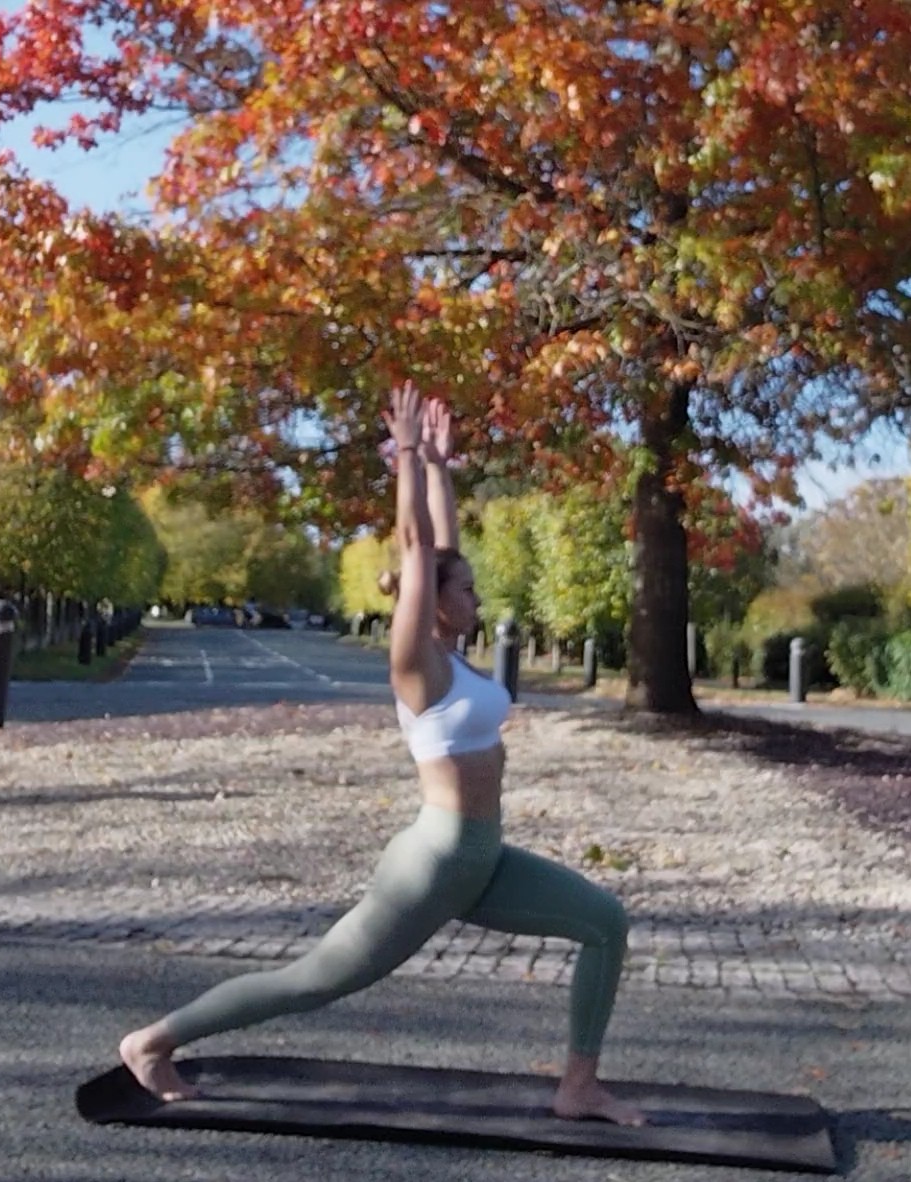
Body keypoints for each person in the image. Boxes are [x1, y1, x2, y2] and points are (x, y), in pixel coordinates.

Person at [119, 382, 644, 1126]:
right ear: (431, 602)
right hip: (432, 864)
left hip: (481, 858)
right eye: (464, 590)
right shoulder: (417, 665)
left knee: (603, 921)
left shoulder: (456, 659)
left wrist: (436, 462)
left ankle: (578, 1086)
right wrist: (404, 457)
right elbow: (418, 547)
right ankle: (152, 1042)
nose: (476, 597)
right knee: (314, 981)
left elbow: (439, 538)